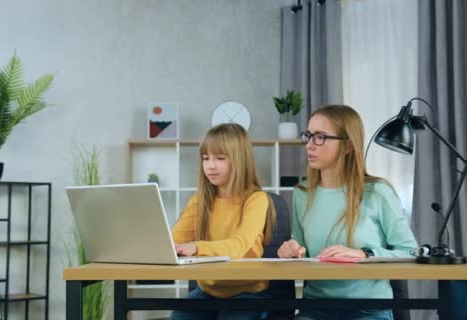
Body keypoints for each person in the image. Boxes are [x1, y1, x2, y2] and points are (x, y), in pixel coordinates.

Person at [277, 105, 418, 320]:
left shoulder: (377, 192)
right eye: (308, 136)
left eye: (320, 137)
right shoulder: (302, 194)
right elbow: (303, 253)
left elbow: (410, 252)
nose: (309, 145)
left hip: (369, 309)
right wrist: (291, 251)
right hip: (315, 308)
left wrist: (365, 254)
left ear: (348, 146)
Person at [170, 123, 276, 320]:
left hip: (249, 293)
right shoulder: (198, 202)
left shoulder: (256, 199)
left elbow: (238, 246)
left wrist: (196, 247)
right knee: (178, 316)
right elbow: (173, 243)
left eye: (220, 158)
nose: (210, 165)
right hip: (208, 292)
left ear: (239, 161)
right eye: (205, 158)